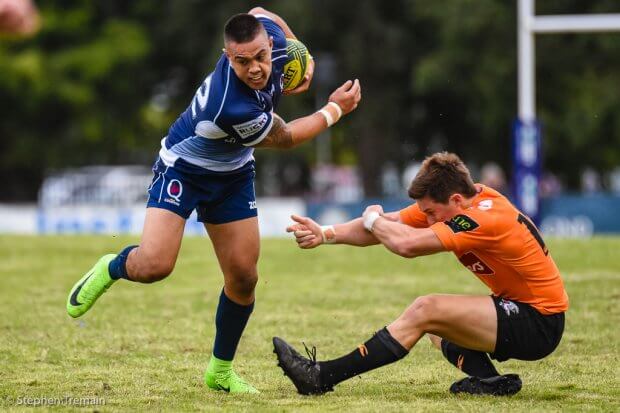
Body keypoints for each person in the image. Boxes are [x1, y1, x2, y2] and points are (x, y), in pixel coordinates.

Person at [66, 7, 361, 394]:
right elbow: (286, 137)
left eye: (260, 56)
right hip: (184, 171)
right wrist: (335, 109)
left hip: (234, 175)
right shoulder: (228, 106)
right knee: (155, 266)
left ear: (269, 44)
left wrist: (302, 55)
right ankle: (112, 266)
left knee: (244, 276)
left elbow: (259, 11)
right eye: (242, 62)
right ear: (227, 58)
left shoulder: (272, 42)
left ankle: (220, 371)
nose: (255, 68)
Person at [275, 152, 568, 396]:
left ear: (455, 200)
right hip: (521, 309)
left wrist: (373, 219)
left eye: (430, 213)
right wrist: (325, 233)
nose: (427, 220)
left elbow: (405, 243)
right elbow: (386, 225)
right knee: (437, 327)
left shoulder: (482, 218)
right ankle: (492, 384)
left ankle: (322, 376)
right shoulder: (461, 201)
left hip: (539, 321)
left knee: (426, 309)